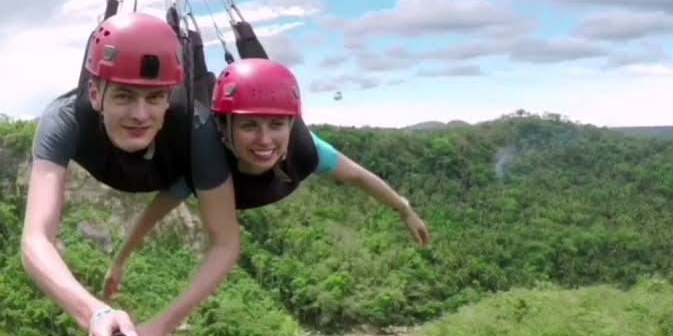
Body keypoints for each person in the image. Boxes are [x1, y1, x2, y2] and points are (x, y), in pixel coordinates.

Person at [20, 12, 242, 336]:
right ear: (95, 93)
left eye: (154, 98)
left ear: (169, 98)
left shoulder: (197, 129)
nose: (140, 114)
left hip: (170, 169)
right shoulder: (64, 120)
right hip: (126, 165)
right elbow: (35, 239)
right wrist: (93, 313)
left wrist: (163, 325)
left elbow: (226, 241)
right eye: (124, 95)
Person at [104, 57, 430, 299]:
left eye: (276, 125)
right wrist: (120, 260)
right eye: (249, 126)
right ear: (225, 129)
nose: (264, 140)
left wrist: (404, 209)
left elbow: (359, 177)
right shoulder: (207, 166)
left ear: (290, 125)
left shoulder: (305, 150)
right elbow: (156, 211)